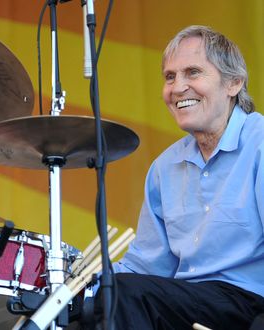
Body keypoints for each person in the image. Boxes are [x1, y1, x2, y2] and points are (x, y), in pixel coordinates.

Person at [106, 25, 264, 330]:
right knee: (98, 301)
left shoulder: (260, 144)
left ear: (233, 83)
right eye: (170, 76)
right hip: (190, 302)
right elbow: (145, 266)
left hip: (251, 303)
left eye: (193, 72)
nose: (178, 88)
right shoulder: (164, 168)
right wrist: (79, 283)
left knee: (124, 294)